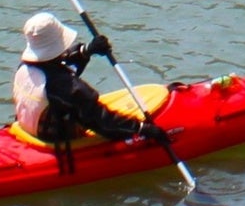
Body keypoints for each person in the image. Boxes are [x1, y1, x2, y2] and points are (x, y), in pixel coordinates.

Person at [11, 11, 153, 152]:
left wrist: (87, 50)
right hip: (57, 142)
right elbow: (104, 122)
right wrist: (140, 128)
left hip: (28, 132)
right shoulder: (68, 88)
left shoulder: (24, 67)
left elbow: (60, 66)